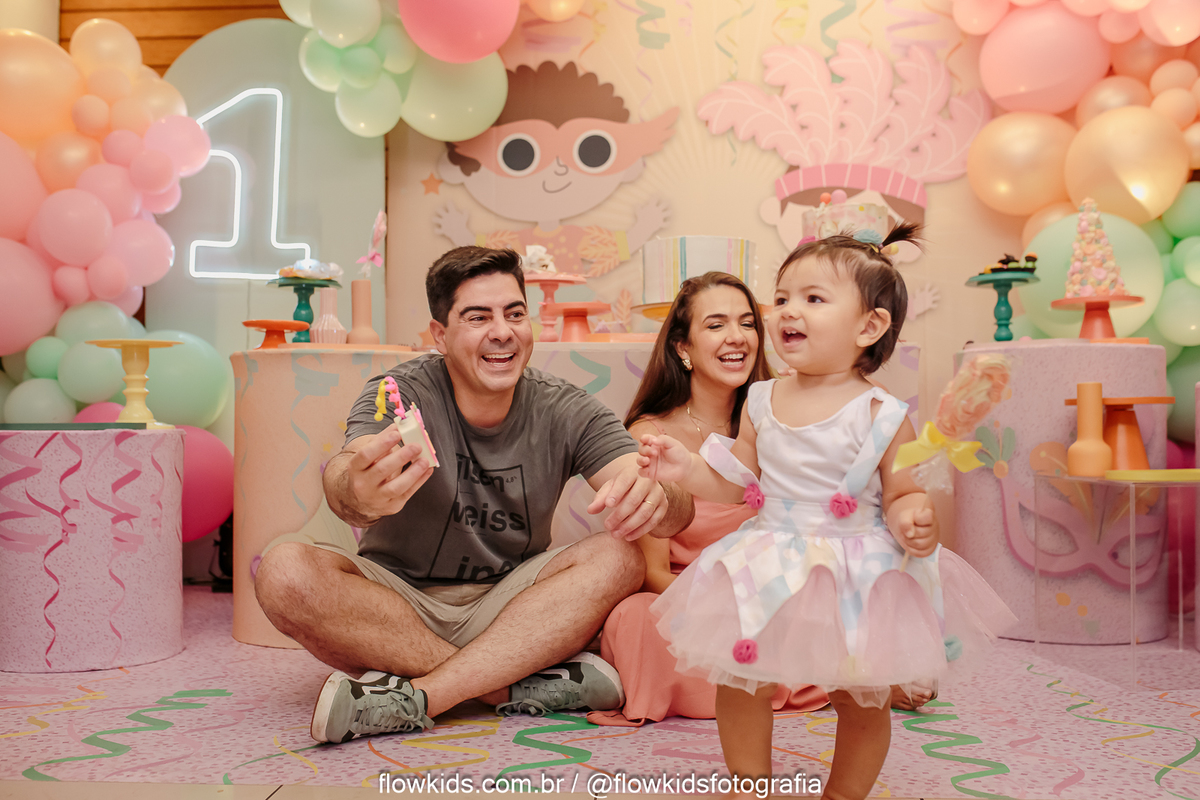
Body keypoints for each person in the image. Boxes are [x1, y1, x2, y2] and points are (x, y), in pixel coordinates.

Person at [255, 246, 694, 744]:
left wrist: (658, 500)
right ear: (440, 335)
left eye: (515, 314)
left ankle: (423, 696)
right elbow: (347, 473)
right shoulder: (398, 393)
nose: (502, 332)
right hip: (396, 606)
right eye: (478, 317)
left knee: (620, 556)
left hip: (512, 609)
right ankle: (503, 686)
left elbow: (667, 501)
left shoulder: (566, 408)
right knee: (283, 571)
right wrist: (355, 489)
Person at [638, 226, 1014, 799]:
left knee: (860, 697)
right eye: (782, 297)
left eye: (813, 298)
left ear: (869, 327)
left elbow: (902, 492)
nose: (788, 311)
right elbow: (739, 483)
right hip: (770, 558)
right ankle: (750, 788)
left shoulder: (881, 412)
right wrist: (684, 468)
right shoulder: (762, 399)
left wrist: (914, 518)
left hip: (854, 571)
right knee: (741, 682)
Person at [586, 271, 827, 726]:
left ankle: (842, 677)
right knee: (635, 619)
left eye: (747, 323)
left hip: (773, 591)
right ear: (684, 348)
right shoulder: (650, 436)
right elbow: (653, 572)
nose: (737, 337)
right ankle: (768, 681)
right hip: (685, 599)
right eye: (716, 325)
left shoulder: (774, 421)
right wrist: (720, 606)